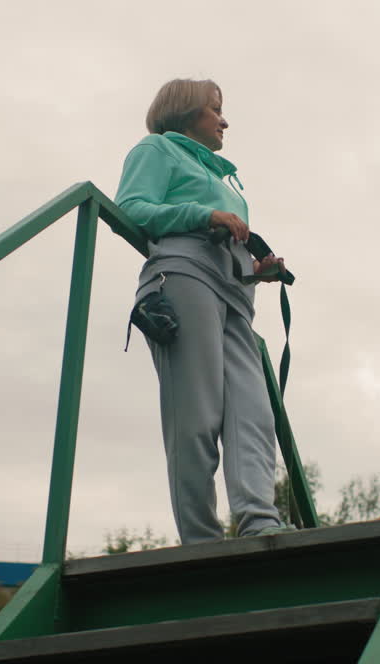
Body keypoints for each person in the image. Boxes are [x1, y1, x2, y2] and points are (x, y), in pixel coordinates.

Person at [115, 78, 289, 544]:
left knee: (254, 413)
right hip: (184, 279)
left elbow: (217, 231)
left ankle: (260, 523)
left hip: (235, 296)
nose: (225, 119)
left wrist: (257, 269)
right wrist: (204, 215)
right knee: (197, 415)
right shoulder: (156, 151)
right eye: (215, 109)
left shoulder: (222, 178)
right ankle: (201, 539)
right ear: (187, 112)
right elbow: (131, 208)